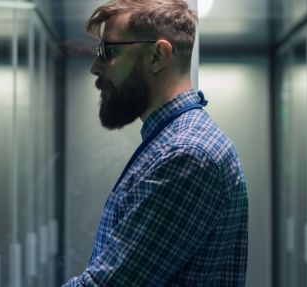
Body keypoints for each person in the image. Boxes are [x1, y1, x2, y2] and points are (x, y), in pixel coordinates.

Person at [63, 0, 248, 286]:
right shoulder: (172, 142)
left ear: (158, 56)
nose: (95, 67)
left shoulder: (187, 154)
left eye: (108, 51)